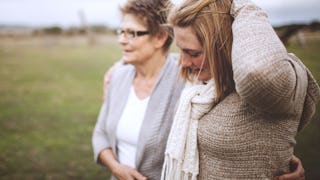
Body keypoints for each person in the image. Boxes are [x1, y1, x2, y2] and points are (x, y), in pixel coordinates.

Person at [161, 0, 320, 179]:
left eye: (194, 53)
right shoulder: (203, 86)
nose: (184, 62)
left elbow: (256, 73)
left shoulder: (276, 83)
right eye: (182, 51)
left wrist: (242, 4)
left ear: (222, 45)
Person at [92, 0, 185, 179]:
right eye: (121, 32)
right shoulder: (118, 77)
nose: (121, 40)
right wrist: (116, 168)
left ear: (160, 37)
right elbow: (100, 133)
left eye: (132, 33)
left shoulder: (184, 81)